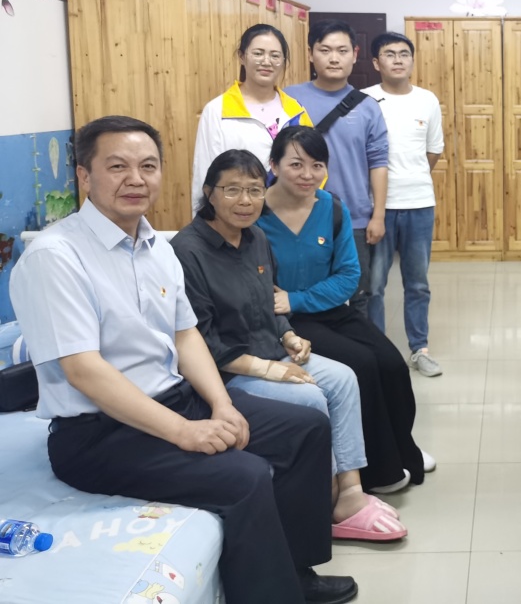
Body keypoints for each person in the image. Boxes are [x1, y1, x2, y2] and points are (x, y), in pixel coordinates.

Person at [9, 116, 357, 604]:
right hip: (99, 435)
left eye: (148, 166)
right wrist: (183, 432)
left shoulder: (156, 247)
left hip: (178, 398)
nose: (136, 179)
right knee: (244, 476)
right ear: (85, 176)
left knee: (306, 428)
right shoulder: (56, 256)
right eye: (118, 167)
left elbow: (186, 334)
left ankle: (298, 570)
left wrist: (222, 405)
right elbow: (83, 370)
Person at [172, 149, 408, 542]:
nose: (245, 201)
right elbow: (198, 337)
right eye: (232, 190)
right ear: (209, 192)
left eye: (254, 190)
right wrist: (269, 369)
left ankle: (350, 492)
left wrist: (288, 336)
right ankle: (323, 501)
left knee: (344, 378)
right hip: (228, 371)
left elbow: (268, 299)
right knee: (310, 398)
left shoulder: (256, 237)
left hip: (272, 351)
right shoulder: (187, 251)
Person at [257, 126, 430, 493]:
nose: (308, 175)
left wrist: (297, 297)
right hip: (287, 323)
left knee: (392, 363)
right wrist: (288, 306)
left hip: (328, 309)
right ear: (273, 165)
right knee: (362, 365)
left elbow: (349, 275)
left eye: (317, 165)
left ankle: (403, 449)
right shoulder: (255, 215)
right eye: (296, 164)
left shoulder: (331, 207)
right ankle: (377, 471)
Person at [285, 19, 389, 318]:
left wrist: (377, 216)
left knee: (359, 297)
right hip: (297, 217)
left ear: (354, 54)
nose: (334, 58)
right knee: (301, 294)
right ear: (310, 53)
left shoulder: (368, 107)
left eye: (342, 51)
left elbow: (379, 163)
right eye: (325, 50)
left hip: (353, 219)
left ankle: (361, 349)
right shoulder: (289, 99)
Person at [363, 32, 445, 377]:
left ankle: (419, 349)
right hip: (375, 208)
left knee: (418, 283)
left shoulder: (427, 100)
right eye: (389, 54)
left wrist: (411, 177)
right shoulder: (364, 100)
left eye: (404, 54)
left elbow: (433, 151)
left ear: (412, 60)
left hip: (419, 204)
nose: (397, 60)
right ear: (375, 62)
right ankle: (377, 353)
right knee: (373, 286)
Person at [192, 23, 313, 215]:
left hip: (288, 217)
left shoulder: (296, 111)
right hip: (236, 216)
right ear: (242, 56)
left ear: (283, 61)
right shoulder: (217, 111)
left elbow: (313, 168)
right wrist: (204, 224)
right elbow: (204, 175)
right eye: (258, 53)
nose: (266, 61)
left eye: (275, 56)